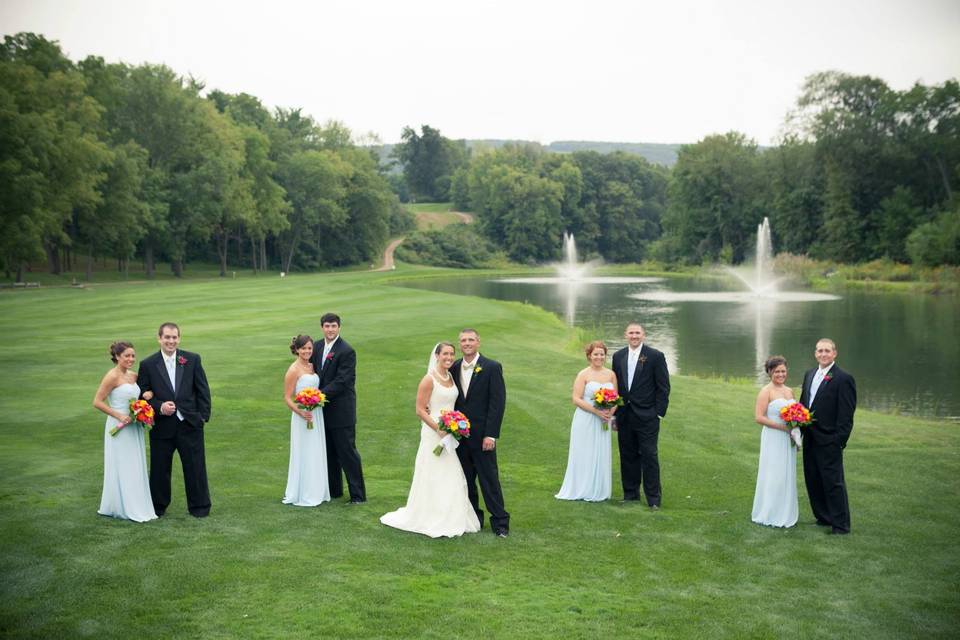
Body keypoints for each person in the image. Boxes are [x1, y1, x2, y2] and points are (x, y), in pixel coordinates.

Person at [380, 342, 481, 537]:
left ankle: (451, 515)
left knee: (450, 471)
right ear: (437, 355)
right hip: (433, 432)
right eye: (445, 354)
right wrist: (439, 428)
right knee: (433, 470)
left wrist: (454, 424)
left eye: (452, 354)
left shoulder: (451, 376)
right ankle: (429, 515)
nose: (449, 357)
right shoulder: (428, 379)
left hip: (449, 432)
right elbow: (420, 409)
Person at [137, 322, 212, 518]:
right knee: (160, 469)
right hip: (162, 426)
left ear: (179, 338)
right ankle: (158, 506)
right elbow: (141, 396)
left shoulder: (192, 359)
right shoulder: (147, 364)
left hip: (190, 423)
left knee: (195, 467)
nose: (171, 341)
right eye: (167, 337)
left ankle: (199, 507)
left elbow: (202, 389)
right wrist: (159, 406)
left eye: (174, 337)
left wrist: (203, 416)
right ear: (159, 338)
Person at [452, 328, 510, 537]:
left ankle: (500, 523)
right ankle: (474, 519)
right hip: (460, 437)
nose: (466, 343)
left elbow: (497, 403)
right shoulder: (454, 367)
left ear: (478, 342)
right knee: (466, 480)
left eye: (470, 340)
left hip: (483, 436)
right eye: (463, 340)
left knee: (489, 480)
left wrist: (490, 435)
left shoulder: (492, 367)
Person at [92, 341, 157, 522]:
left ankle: (137, 503)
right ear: (117, 357)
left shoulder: (134, 376)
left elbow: (143, 392)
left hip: (134, 426)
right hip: (119, 427)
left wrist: (147, 396)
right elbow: (97, 401)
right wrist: (118, 415)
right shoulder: (112, 376)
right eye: (127, 356)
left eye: (133, 356)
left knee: (135, 464)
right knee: (122, 464)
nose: (131, 359)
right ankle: (122, 506)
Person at [799, 338, 857, 535]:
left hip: (829, 440)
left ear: (834, 353)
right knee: (813, 479)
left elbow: (846, 415)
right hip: (810, 439)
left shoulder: (843, 378)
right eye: (820, 351)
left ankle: (840, 525)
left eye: (827, 351)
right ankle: (823, 517)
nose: (823, 354)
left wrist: (838, 441)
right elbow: (804, 404)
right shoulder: (809, 374)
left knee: (833, 483)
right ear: (815, 353)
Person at [612, 323, 670, 509]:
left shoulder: (655, 356)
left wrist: (658, 413)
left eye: (637, 333)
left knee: (649, 456)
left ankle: (653, 499)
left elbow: (663, 387)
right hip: (625, 415)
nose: (634, 336)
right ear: (625, 335)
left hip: (648, 416)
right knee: (627, 455)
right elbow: (617, 388)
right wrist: (615, 413)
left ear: (643, 335)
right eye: (631, 333)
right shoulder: (618, 356)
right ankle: (630, 495)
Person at [310, 313, 366, 504]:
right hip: (322, 412)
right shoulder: (316, 347)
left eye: (334, 326)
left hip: (341, 412)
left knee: (347, 453)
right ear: (322, 328)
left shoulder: (346, 351)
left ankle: (358, 495)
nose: (330, 329)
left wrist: (318, 396)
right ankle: (334, 490)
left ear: (339, 328)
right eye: (327, 326)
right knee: (329, 452)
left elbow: (343, 381)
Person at [556, 341, 616, 502]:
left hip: (604, 420)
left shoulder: (611, 374)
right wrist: (596, 411)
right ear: (589, 356)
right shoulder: (583, 374)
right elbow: (576, 399)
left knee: (600, 452)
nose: (599, 357)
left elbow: (615, 397)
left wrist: (610, 412)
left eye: (602, 354)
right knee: (585, 452)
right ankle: (582, 488)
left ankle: (599, 488)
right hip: (586, 419)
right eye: (596, 354)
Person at [282, 335, 330, 507]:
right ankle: (304, 492)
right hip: (302, 416)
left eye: (310, 348)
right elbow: (287, 397)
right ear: (297, 350)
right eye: (304, 348)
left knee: (316, 449)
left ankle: (317, 490)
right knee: (305, 450)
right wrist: (300, 412)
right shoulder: (293, 370)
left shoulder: (312, 365)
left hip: (316, 413)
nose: (307, 351)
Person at [751, 355, 799, 527]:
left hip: (789, 439)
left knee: (787, 473)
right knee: (774, 474)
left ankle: (785, 511)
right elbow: (759, 418)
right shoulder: (766, 391)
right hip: (774, 437)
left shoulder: (790, 391)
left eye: (783, 371)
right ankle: (769, 512)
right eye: (777, 371)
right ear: (770, 372)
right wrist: (783, 428)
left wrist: (796, 429)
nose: (781, 374)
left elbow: (796, 414)